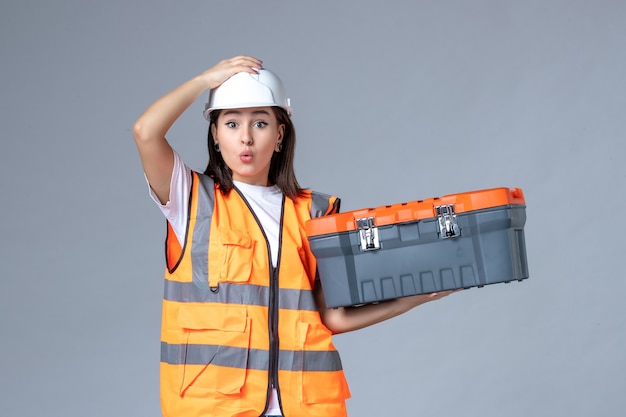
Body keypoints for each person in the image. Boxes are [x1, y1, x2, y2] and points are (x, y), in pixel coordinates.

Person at [133, 55, 452, 417]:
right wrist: (205, 79)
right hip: (216, 405)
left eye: (261, 123)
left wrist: (409, 301)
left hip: (302, 404)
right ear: (215, 134)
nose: (246, 137)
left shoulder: (314, 212)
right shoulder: (190, 199)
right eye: (232, 123)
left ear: (280, 133)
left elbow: (332, 318)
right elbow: (146, 131)